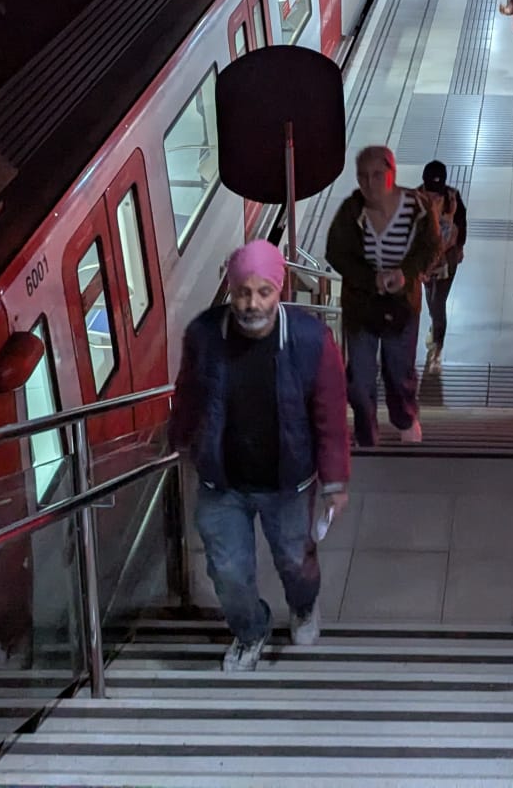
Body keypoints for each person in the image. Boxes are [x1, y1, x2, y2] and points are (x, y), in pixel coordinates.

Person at [169, 240, 350, 673]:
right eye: (242, 293)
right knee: (227, 572)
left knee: (295, 562)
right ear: (230, 291)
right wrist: (177, 441)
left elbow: (329, 413)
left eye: (263, 292)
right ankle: (250, 631)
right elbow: (189, 395)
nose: (252, 304)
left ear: (279, 290)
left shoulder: (310, 340)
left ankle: (303, 608)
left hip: (288, 483)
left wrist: (335, 479)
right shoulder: (204, 334)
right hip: (222, 482)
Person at [325, 146, 442, 448]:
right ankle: (366, 430)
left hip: (402, 304)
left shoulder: (417, 209)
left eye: (378, 175)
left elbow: (430, 246)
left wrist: (406, 273)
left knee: (399, 368)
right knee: (360, 377)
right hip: (361, 306)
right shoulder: (352, 211)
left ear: (392, 174)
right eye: (363, 177)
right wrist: (370, 279)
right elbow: (336, 253)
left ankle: (404, 418)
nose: (369, 184)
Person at [418, 160, 467, 376]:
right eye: (430, 191)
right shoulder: (413, 200)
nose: (434, 197)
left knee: (438, 303)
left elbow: (462, 225)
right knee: (430, 299)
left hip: (447, 261)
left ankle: (437, 346)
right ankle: (436, 328)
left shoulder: (453, 199)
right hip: (424, 264)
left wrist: (459, 246)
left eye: (437, 192)